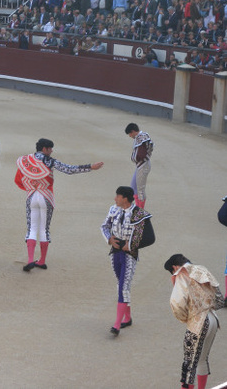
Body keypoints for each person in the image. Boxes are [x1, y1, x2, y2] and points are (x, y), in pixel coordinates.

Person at [15, 138, 104, 272]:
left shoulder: (26, 160)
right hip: (46, 197)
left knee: (31, 228)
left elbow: (19, 178)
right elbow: (69, 169)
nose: (52, 151)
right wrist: (90, 167)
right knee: (44, 229)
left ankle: (30, 260)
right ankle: (42, 261)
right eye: (50, 148)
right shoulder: (50, 161)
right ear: (44, 149)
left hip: (31, 196)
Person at [164, 254, 222, 389]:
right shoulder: (202, 269)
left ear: (174, 267)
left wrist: (186, 318)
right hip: (213, 319)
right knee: (202, 359)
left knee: (189, 365)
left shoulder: (181, 275)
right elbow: (219, 298)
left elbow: (177, 303)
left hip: (197, 323)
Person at [101, 186, 152, 336]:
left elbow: (150, 238)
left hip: (129, 255)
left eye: (117, 196)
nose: (115, 198)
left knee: (123, 285)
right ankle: (127, 317)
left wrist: (129, 245)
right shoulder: (114, 209)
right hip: (115, 252)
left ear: (125, 198)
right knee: (121, 283)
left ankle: (117, 324)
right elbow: (104, 226)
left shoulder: (139, 214)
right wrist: (109, 238)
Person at [125, 123, 153, 209]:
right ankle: (138, 208)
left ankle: (140, 211)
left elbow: (142, 154)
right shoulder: (142, 136)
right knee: (133, 187)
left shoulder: (141, 138)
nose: (130, 136)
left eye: (130, 134)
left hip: (143, 165)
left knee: (140, 189)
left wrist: (137, 158)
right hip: (140, 165)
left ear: (133, 131)